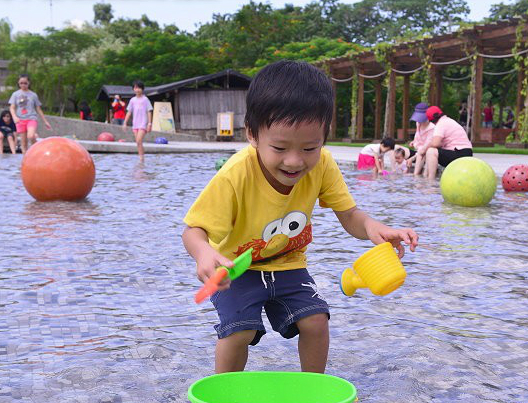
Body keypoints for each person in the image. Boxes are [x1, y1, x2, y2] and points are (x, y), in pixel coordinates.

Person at [181, 60, 418, 374]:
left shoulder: (323, 165)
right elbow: (192, 230)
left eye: (310, 147)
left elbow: (349, 215)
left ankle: (314, 391)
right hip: (236, 268)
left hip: (289, 264)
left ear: (323, 137)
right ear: (252, 134)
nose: (294, 161)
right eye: (279, 147)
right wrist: (205, 253)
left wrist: (375, 227)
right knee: (240, 330)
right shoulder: (235, 174)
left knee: (316, 320)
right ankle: (224, 397)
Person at [422, 106, 473, 180]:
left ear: (432, 121)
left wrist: (424, 149)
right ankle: (425, 176)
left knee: (431, 151)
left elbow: (435, 143)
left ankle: (430, 181)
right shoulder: (449, 121)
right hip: (467, 153)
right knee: (430, 151)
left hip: (459, 154)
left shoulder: (441, 124)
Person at [9, 74, 51, 154]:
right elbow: (12, 107)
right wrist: (14, 116)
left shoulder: (33, 95)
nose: (23, 85)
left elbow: (38, 109)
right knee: (23, 144)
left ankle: (37, 149)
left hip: (31, 118)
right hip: (20, 120)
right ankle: (25, 160)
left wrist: (45, 121)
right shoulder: (15, 94)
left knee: (31, 136)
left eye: (25, 83)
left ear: (29, 83)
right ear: (18, 83)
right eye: (21, 83)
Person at [123, 81, 153, 161]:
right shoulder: (132, 100)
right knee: (138, 142)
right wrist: (125, 123)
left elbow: (149, 111)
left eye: (139, 88)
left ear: (142, 89)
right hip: (135, 124)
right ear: (133, 89)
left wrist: (149, 123)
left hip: (143, 124)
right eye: (136, 88)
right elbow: (129, 112)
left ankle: (141, 158)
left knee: (139, 140)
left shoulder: (145, 99)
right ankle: (141, 158)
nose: (137, 90)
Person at [407, 102, 434, 176]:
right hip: (417, 149)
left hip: (424, 152)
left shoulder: (431, 128)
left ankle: (416, 175)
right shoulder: (418, 123)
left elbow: (424, 148)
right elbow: (418, 136)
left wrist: (412, 158)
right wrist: (414, 141)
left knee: (421, 153)